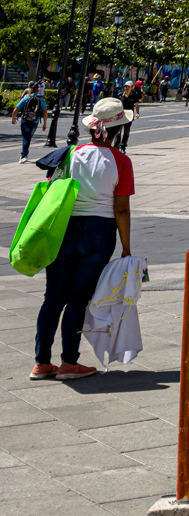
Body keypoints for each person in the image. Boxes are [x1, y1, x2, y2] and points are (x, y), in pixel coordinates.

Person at [31, 95, 134, 380]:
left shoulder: (70, 153)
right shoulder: (121, 161)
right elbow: (121, 209)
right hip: (100, 232)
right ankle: (69, 362)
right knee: (78, 299)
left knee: (53, 298)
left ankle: (41, 362)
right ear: (118, 130)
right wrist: (126, 247)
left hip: (63, 228)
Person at [11, 82, 45, 160]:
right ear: (37, 90)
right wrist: (44, 124)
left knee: (26, 137)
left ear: (30, 90)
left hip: (25, 120)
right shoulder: (41, 100)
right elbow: (45, 112)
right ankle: (25, 154)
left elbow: (16, 109)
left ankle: (24, 155)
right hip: (35, 121)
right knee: (28, 137)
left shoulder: (26, 99)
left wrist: (13, 118)